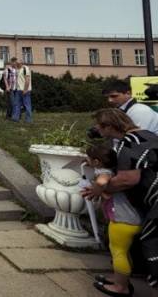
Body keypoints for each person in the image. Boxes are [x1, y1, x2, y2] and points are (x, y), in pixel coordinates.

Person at [82, 108, 158, 295]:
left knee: (152, 245)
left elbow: (127, 179)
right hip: (149, 202)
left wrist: (99, 189)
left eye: (99, 127)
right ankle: (120, 280)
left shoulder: (128, 145)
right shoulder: (147, 135)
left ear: (109, 127)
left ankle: (121, 286)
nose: (98, 130)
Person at [85, 143, 141, 296]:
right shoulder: (114, 170)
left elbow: (103, 183)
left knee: (118, 252)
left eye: (88, 159)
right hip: (131, 219)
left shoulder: (103, 172)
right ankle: (119, 279)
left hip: (122, 220)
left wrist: (96, 190)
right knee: (124, 252)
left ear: (96, 162)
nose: (87, 161)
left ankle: (120, 287)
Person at [11, 58, 32, 123]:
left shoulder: (25, 69)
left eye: (17, 63)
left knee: (27, 105)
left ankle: (28, 120)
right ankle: (15, 118)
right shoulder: (18, 70)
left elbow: (27, 80)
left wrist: (25, 89)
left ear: (20, 63)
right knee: (16, 104)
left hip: (25, 90)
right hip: (18, 90)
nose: (16, 65)